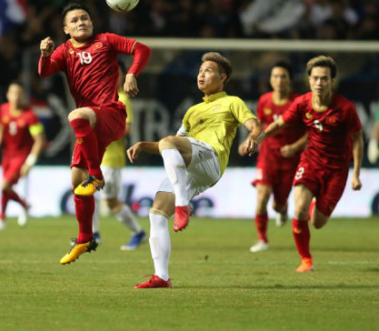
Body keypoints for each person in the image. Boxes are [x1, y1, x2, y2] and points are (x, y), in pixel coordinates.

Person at [127, 52, 262, 288]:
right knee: (156, 213)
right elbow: (172, 147)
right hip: (190, 169)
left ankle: (182, 205)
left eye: (208, 70)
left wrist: (252, 136)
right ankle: (162, 276)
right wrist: (143, 146)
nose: (201, 74)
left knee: (169, 142)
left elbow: (255, 125)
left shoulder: (232, 102)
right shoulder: (193, 111)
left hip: (210, 157)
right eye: (200, 70)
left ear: (222, 77)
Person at [39, 2, 151, 265]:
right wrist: (44, 54)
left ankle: (96, 174)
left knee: (77, 115)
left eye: (85, 18)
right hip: (90, 126)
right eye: (75, 20)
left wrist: (132, 74)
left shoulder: (106, 41)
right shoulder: (64, 51)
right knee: (77, 184)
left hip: (111, 114)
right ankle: (85, 238)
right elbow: (44, 72)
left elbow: (142, 50)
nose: (81, 22)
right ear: (65, 29)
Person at [259, 55, 363, 272]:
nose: (319, 83)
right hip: (311, 161)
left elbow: (357, 141)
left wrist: (356, 174)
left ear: (331, 81)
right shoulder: (302, 103)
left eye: (324, 79)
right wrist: (257, 138)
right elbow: (279, 124)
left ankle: (317, 207)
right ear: (308, 80)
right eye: (315, 78)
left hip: (336, 169)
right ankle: (306, 260)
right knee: (299, 211)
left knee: (317, 222)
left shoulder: (345, 109)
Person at [245, 61, 307, 253]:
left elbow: (311, 131)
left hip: (290, 159)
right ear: (271, 80)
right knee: (262, 196)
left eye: (283, 77)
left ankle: (282, 208)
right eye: (276, 76)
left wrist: (295, 146)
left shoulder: (299, 102)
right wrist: (249, 140)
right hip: (268, 155)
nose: (279, 80)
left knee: (278, 205)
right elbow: (260, 126)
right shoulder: (264, 100)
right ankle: (262, 239)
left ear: (289, 80)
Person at [92, 62, 147, 251]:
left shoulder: (122, 99)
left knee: (111, 201)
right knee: (86, 193)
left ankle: (137, 233)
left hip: (111, 158)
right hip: (96, 156)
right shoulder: (98, 98)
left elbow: (126, 128)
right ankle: (93, 234)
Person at [0, 81, 46, 231]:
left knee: (4, 186)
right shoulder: (3, 110)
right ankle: (23, 206)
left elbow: (40, 140)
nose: (16, 97)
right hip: (7, 154)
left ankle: (1, 217)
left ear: (23, 96)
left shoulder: (30, 116)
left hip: (21, 156)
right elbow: (0, 131)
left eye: (19, 93)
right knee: (5, 188)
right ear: (8, 95)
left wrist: (29, 161)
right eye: (13, 93)